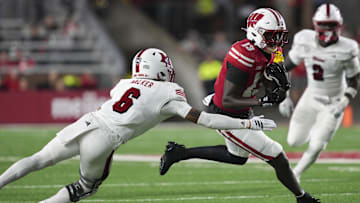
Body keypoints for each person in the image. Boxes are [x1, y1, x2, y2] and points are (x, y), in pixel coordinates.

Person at [0, 48, 277, 203]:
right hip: (105, 138)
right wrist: (247, 123)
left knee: (38, 159)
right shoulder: (169, 92)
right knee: (85, 188)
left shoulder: (125, 82)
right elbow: (205, 119)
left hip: (86, 122)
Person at [159, 8, 320, 203]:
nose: (277, 41)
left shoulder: (272, 50)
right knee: (277, 156)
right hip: (225, 114)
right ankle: (302, 197)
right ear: (255, 32)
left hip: (242, 110)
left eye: (279, 36)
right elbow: (228, 99)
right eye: (272, 35)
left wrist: (280, 86)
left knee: (237, 157)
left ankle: (179, 153)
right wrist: (264, 100)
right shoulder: (243, 54)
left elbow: (272, 85)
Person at [278, 3, 360, 182]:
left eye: (331, 24)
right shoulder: (304, 40)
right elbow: (285, 67)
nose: (328, 29)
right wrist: (284, 96)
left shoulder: (348, 47)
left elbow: (354, 81)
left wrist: (343, 102)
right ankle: (317, 127)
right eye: (324, 24)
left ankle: (295, 174)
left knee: (317, 145)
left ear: (339, 25)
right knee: (294, 141)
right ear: (315, 24)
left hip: (334, 102)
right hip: (311, 96)